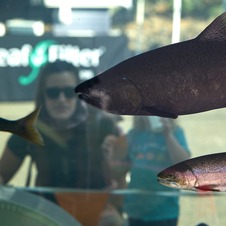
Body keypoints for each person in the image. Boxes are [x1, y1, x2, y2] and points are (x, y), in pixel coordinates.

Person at [0, 60, 120, 189]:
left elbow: (122, 184)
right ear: (43, 95)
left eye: (69, 92)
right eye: (53, 93)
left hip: (96, 207)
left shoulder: (102, 126)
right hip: (45, 209)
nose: (61, 99)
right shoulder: (30, 129)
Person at [104, 116, 190, 226]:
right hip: (136, 209)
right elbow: (119, 171)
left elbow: (183, 164)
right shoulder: (134, 135)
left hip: (165, 210)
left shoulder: (175, 132)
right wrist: (110, 157)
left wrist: (168, 136)